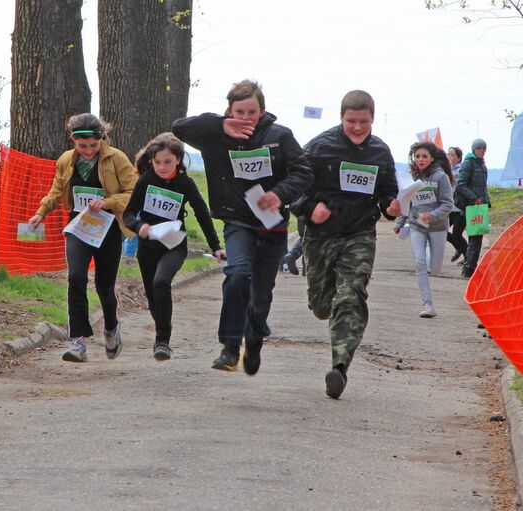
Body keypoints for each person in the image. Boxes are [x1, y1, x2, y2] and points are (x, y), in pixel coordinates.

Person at [172, 79, 313, 374]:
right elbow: (179, 127)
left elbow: (303, 172)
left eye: (252, 112)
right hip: (237, 219)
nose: (246, 118)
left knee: (261, 294)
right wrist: (220, 125)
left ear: (262, 111)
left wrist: (279, 194)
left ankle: (255, 338)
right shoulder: (214, 135)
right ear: (229, 110)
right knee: (237, 274)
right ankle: (230, 347)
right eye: (239, 112)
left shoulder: (280, 135)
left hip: (272, 224)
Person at [291, 90, 401, 399]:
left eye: (363, 121)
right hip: (321, 236)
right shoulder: (319, 148)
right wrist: (310, 207)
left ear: (373, 119)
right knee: (322, 304)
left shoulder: (380, 152)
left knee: (351, 294)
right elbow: (291, 188)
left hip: (359, 234)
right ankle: (323, 304)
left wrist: (391, 206)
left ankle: (339, 366)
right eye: (351, 121)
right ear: (341, 118)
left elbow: (387, 193)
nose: (357, 127)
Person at [29, 113, 137, 362]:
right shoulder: (67, 160)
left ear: (101, 139)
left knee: (103, 286)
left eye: (93, 145)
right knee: (76, 277)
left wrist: (108, 201)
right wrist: (40, 213)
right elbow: (56, 191)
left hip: (108, 228)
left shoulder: (117, 158)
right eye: (82, 146)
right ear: (73, 141)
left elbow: (134, 192)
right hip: (78, 226)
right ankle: (78, 340)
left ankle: (111, 327)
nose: (88, 151)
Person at [123, 133, 225, 360]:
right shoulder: (146, 180)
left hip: (174, 245)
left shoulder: (185, 184)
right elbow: (128, 213)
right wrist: (139, 226)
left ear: (178, 160)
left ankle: (162, 341)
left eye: (167, 162)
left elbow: (202, 214)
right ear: (151, 161)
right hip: (148, 246)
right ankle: (162, 330)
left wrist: (216, 246)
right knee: (153, 297)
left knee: (161, 282)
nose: (162, 167)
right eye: (157, 162)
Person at [394, 142, 454, 318]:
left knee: (434, 268)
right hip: (416, 225)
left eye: (424, 156)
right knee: (419, 263)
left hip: (437, 227)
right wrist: (399, 223)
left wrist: (432, 215)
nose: (420, 160)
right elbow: (406, 202)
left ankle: (429, 254)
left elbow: (448, 204)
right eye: (417, 156)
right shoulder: (410, 177)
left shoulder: (440, 177)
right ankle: (428, 304)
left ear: (432, 158)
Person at [455, 138, 490, 279]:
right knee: (474, 238)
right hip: (472, 206)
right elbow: (461, 184)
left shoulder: (482, 165)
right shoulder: (468, 163)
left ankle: (471, 266)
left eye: (484, 148)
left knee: (476, 238)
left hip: (480, 205)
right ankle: (469, 268)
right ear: (474, 149)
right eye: (479, 148)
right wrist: (474, 198)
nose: (482, 150)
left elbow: (483, 186)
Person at [446, 146, 467, 263]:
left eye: (452, 155)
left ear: (458, 158)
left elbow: (461, 185)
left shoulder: (462, 170)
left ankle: (468, 256)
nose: (449, 157)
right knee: (441, 231)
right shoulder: (444, 170)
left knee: (457, 234)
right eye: (448, 154)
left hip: (459, 208)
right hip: (448, 207)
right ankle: (460, 248)